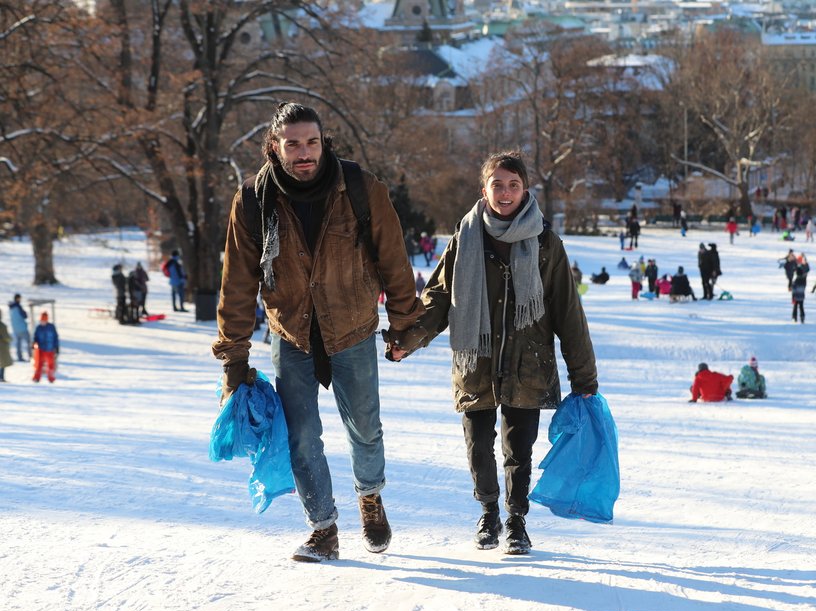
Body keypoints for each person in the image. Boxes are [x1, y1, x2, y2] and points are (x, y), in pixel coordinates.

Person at [212, 102, 424, 563]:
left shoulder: (362, 189)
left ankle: (370, 497)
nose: (303, 152)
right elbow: (238, 283)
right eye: (292, 144)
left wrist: (405, 325)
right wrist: (234, 357)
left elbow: (393, 259)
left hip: (352, 328)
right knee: (301, 436)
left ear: (323, 142)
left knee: (364, 430)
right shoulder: (252, 200)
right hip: (292, 334)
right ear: (275, 147)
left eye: (311, 142)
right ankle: (323, 528)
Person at [388, 150, 598, 555]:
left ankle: (516, 520)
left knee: (519, 449)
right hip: (476, 360)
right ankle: (488, 512)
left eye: (513, 185)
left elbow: (568, 313)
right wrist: (407, 342)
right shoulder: (465, 239)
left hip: (527, 362)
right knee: (477, 444)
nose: (505, 192)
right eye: (497, 184)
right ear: (483, 190)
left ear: (525, 190)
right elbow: (438, 300)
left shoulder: (545, 243)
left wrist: (584, 378)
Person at [32, 311, 58, 383]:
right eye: (41, 320)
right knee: (39, 364)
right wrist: (34, 344)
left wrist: (56, 347)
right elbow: (35, 337)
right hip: (41, 349)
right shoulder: (38, 328)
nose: (42, 322)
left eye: (44, 320)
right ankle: (36, 378)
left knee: (50, 364)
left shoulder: (51, 327)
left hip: (50, 349)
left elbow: (55, 337)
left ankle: (51, 378)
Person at [8, 293, 30, 362]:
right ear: (17, 298)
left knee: (18, 344)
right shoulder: (18, 306)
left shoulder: (10, 308)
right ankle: (31, 356)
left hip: (15, 329)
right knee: (28, 342)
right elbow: (24, 316)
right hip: (22, 328)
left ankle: (19, 357)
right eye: (19, 298)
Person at [0, 308, 12, 382]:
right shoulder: (2, 326)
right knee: (2, 363)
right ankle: (1, 377)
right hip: (2, 347)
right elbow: (6, 337)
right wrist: (10, 339)